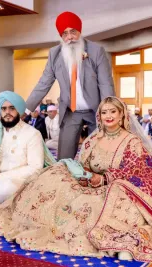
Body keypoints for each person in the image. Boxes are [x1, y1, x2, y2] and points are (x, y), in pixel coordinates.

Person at [0, 96, 152, 263]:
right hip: (90, 182)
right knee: (55, 176)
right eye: (104, 112)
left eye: (113, 111)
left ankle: (117, 243)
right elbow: (82, 163)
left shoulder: (131, 141)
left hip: (118, 186)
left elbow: (133, 171)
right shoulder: (93, 139)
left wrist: (104, 179)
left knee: (96, 205)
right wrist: (83, 176)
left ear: (122, 114)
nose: (109, 116)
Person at [26, 11, 115, 160]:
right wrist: (26, 109)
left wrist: (109, 112)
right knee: (64, 158)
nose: (70, 38)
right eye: (65, 34)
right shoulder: (54, 54)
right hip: (70, 111)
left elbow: (105, 83)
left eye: (73, 32)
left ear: (79, 31)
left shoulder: (96, 51)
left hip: (96, 110)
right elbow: (43, 83)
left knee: (99, 156)